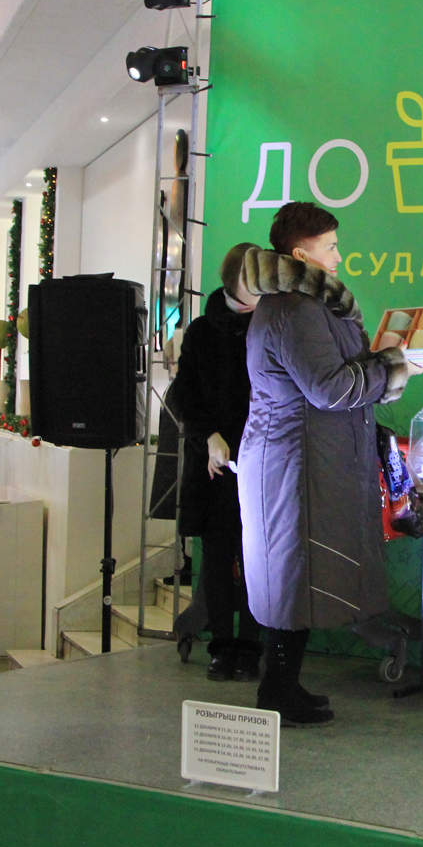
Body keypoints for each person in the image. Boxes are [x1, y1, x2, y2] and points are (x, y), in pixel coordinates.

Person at [238, 201, 423, 725]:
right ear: (301, 255)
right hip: (294, 463)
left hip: (306, 458)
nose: (339, 256)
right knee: (292, 575)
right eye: (331, 247)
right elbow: (330, 388)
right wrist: (392, 367)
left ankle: (282, 686)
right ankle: (277, 691)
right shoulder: (296, 310)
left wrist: (386, 360)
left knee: (296, 576)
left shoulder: (305, 305)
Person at [171, 242, 262, 681]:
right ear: (233, 280)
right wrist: (208, 438)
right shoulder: (202, 331)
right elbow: (183, 395)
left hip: (262, 461)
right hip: (214, 463)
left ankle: (252, 648)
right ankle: (221, 647)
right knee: (218, 556)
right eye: (252, 277)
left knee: (258, 558)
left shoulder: (273, 325)